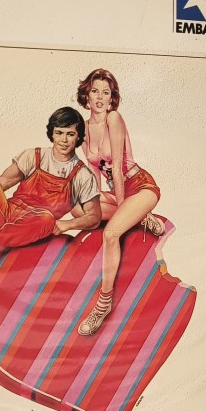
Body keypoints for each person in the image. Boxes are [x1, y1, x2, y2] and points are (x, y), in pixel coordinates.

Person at [0, 107, 101, 280]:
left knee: (46, 218)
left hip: (33, 225)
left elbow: (94, 216)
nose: (64, 140)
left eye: (70, 134)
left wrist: (68, 224)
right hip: (5, 213)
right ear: (52, 133)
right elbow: (1, 182)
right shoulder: (34, 155)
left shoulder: (82, 175)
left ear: (78, 137)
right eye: (59, 133)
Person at [75, 69, 163, 336]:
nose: (100, 97)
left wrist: (121, 207)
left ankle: (103, 304)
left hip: (140, 186)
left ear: (112, 98)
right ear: (86, 96)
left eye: (106, 92)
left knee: (111, 234)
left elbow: (115, 168)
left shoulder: (113, 118)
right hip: (118, 193)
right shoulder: (83, 129)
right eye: (95, 91)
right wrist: (92, 206)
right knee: (78, 206)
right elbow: (94, 174)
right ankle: (140, 217)